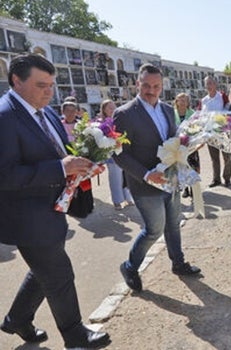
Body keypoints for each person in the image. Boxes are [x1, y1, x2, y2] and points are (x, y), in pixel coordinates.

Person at [0, 54, 110, 348]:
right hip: (26, 216)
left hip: (54, 209)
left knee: (43, 270)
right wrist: (61, 168)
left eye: (51, 85)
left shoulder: (46, 111)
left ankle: (17, 319)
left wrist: (85, 164)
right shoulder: (4, 117)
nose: (49, 92)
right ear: (16, 81)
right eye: (41, 85)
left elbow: (62, 152)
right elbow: (4, 175)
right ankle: (75, 336)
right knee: (59, 273)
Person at [113, 63, 201, 294]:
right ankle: (130, 267)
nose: (151, 90)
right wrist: (145, 174)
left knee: (173, 224)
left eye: (156, 86)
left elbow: (171, 139)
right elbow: (119, 154)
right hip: (145, 183)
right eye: (146, 85)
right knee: (154, 229)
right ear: (136, 84)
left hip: (170, 178)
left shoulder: (164, 109)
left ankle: (178, 263)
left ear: (162, 86)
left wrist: (188, 143)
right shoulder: (124, 114)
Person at [98, 99, 134, 209]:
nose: (113, 109)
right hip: (112, 155)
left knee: (127, 176)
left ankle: (128, 198)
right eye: (109, 107)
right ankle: (117, 201)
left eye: (114, 107)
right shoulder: (101, 123)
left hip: (125, 153)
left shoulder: (121, 119)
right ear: (104, 110)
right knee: (115, 178)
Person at [201, 76, 231, 187]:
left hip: (223, 131)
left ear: (215, 84)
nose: (208, 86)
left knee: (226, 156)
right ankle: (216, 179)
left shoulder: (222, 96)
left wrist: (220, 117)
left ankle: (227, 178)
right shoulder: (204, 100)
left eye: (210, 83)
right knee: (214, 158)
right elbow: (201, 115)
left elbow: (229, 110)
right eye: (206, 84)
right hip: (210, 132)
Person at [174, 92, 200, 198]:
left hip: (191, 144)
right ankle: (185, 188)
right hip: (178, 145)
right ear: (176, 102)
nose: (183, 102)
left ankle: (193, 188)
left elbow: (198, 127)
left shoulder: (192, 113)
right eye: (180, 99)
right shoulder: (172, 113)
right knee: (182, 166)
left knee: (192, 166)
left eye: (185, 100)